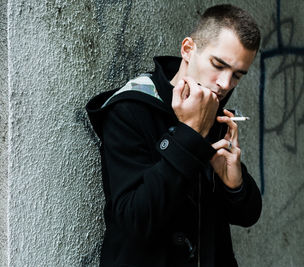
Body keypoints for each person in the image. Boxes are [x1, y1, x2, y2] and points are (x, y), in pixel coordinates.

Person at [86, 4, 262, 267]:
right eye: (218, 65)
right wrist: (190, 134)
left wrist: (235, 186)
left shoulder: (215, 112)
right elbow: (135, 220)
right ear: (188, 49)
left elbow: (246, 217)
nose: (225, 84)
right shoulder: (130, 108)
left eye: (237, 75)